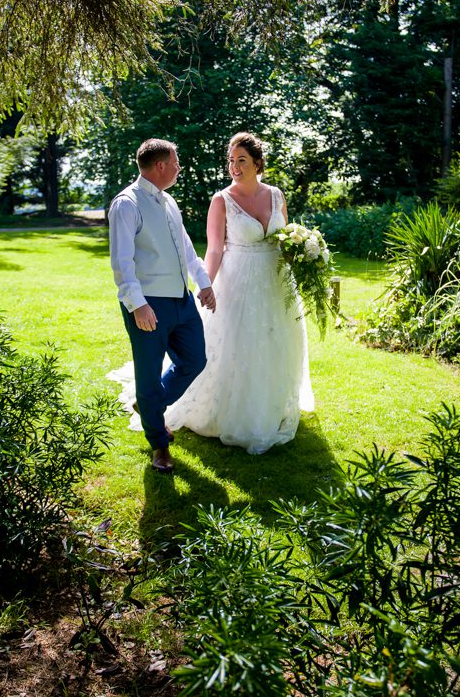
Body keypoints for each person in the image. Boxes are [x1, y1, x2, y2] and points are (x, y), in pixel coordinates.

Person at [159, 132, 314, 454]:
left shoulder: (275, 195)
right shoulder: (221, 200)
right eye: (231, 160)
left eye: (241, 160)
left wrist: (305, 256)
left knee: (275, 343)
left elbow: (284, 238)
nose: (234, 166)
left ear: (257, 163)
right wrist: (206, 285)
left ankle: (270, 406)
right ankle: (227, 410)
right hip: (237, 281)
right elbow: (214, 250)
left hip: (275, 282)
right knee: (237, 345)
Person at [109, 138, 216, 473]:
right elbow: (121, 262)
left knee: (195, 359)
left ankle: (149, 403)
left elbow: (185, 247)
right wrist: (137, 305)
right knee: (148, 371)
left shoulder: (169, 201)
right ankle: (159, 445)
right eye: (176, 162)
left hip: (181, 300)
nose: (179, 167)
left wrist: (204, 282)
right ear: (160, 166)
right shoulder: (126, 204)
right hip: (148, 303)